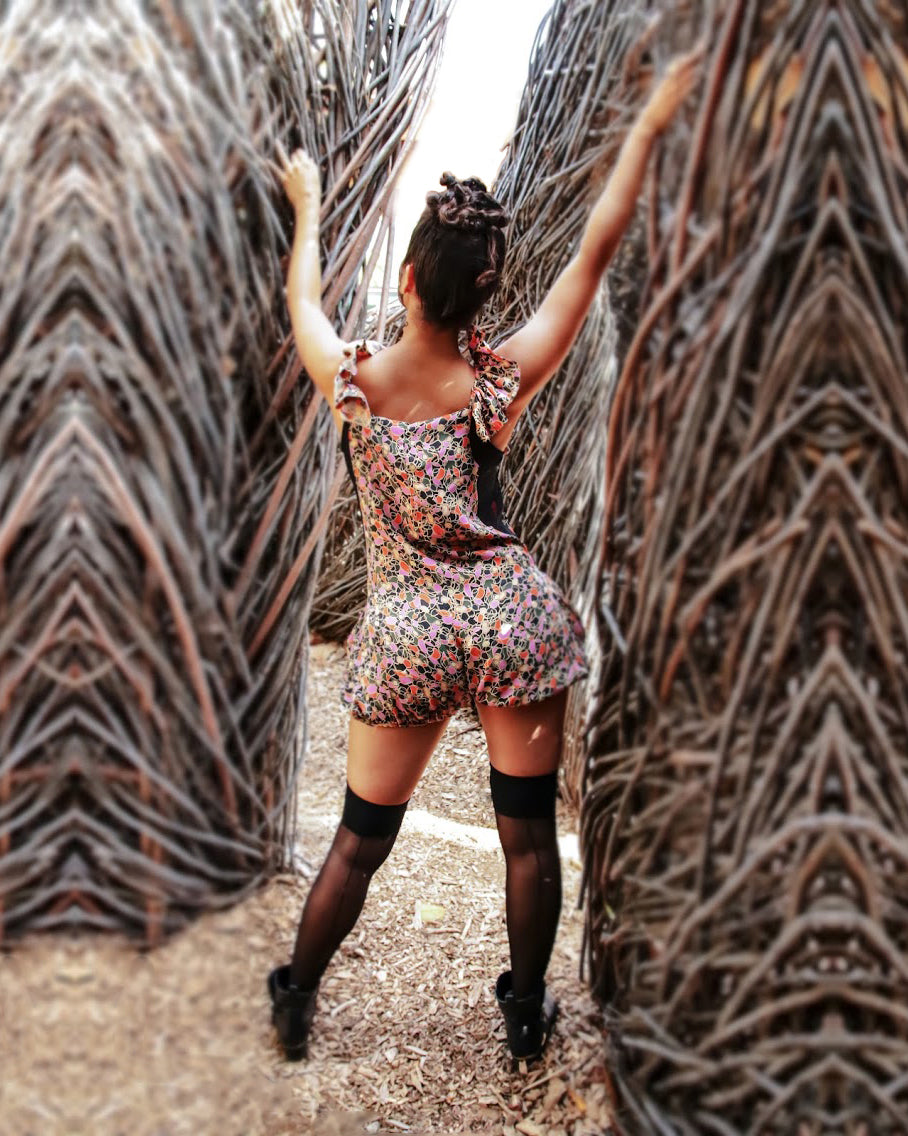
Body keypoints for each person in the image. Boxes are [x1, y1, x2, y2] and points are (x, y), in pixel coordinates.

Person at [269, 47, 702, 1066]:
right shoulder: (498, 383)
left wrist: (308, 208)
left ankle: (296, 997)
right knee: (525, 836)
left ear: (409, 281)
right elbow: (589, 262)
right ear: (481, 297)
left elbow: (304, 305)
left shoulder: (352, 381)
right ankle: (523, 1016)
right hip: (509, 620)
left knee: (359, 839)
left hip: (408, 629)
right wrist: (645, 130)